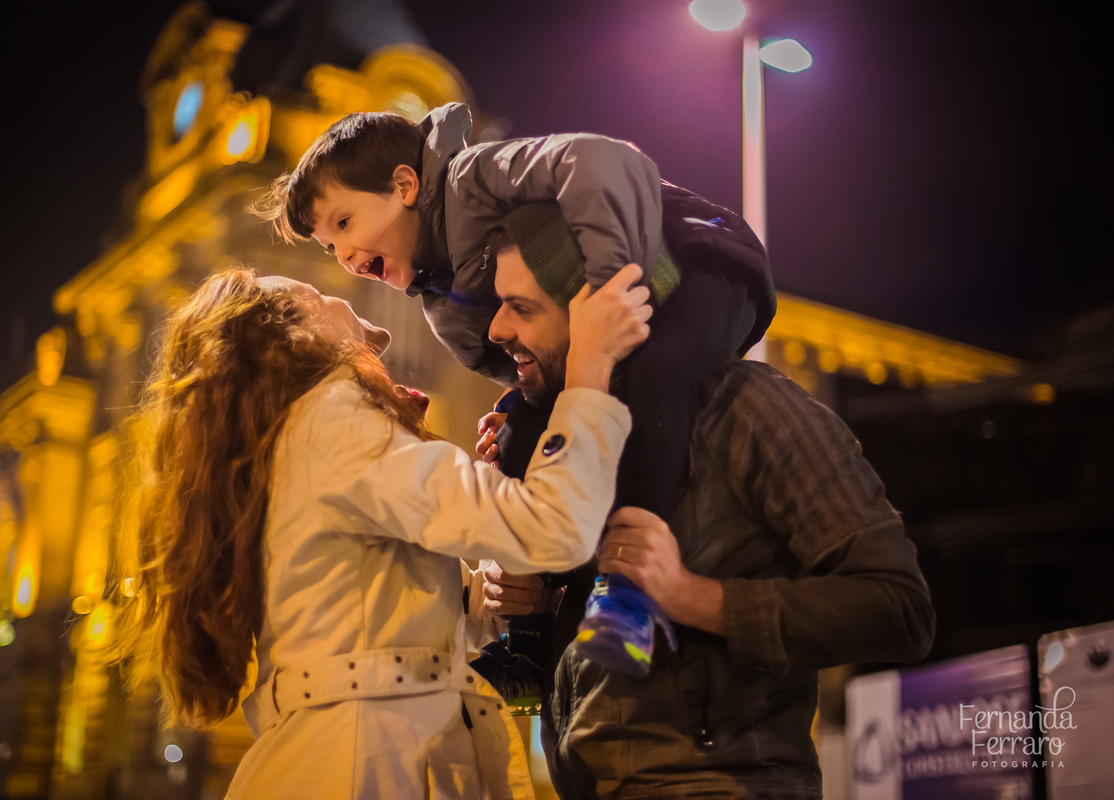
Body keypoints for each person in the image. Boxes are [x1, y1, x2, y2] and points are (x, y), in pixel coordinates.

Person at [257, 103, 773, 676]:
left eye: (345, 225)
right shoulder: (443, 308)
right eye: (329, 248)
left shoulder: (471, 179)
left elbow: (602, 159)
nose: (347, 260)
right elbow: (533, 377)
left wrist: (604, 292)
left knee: (661, 373)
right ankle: (527, 639)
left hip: (699, 260)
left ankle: (629, 593)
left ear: (405, 185)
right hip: (611, 324)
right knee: (520, 439)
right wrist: (522, 407)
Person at [119, 265, 652, 799]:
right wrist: (590, 368)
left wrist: (489, 588)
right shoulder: (332, 419)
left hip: (346, 755)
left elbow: (385, 605)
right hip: (367, 764)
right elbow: (553, 527)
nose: (382, 333)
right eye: (320, 293)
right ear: (284, 340)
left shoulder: (293, 444)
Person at [478, 208, 937, 799]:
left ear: (594, 311)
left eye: (522, 307)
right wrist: (533, 613)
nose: (495, 329)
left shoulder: (750, 410)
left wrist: (694, 598)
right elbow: (581, 701)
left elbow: (901, 609)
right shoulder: (575, 448)